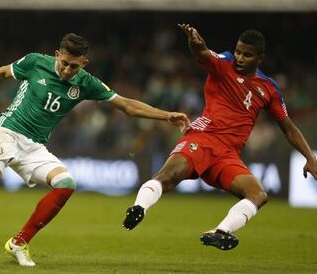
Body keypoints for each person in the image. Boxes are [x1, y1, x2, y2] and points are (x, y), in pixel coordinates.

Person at [0, 33, 190, 267]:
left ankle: (19, 243)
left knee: (66, 184)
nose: (67, 70)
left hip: (35, 146)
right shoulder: (35, 62)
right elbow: (1, 73)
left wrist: (166, 115)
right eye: (64, 62)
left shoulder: (87, 83)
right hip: (9, 130)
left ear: (84, 64)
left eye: (74, 66)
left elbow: (127, 105)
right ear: (57, 55)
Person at [122, 24, 317, 251]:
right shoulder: (223, 64)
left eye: (247, 54)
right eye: (238, 52)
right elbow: (202, 53)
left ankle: (220, 232)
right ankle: (139, 208)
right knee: (169, 175)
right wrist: (195, 40)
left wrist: (309, 157)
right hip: (203, 138)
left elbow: (288, 127)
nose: (240, 58)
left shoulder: (269, 89)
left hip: (227, 156)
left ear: (260, 58)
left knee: (258, 195)